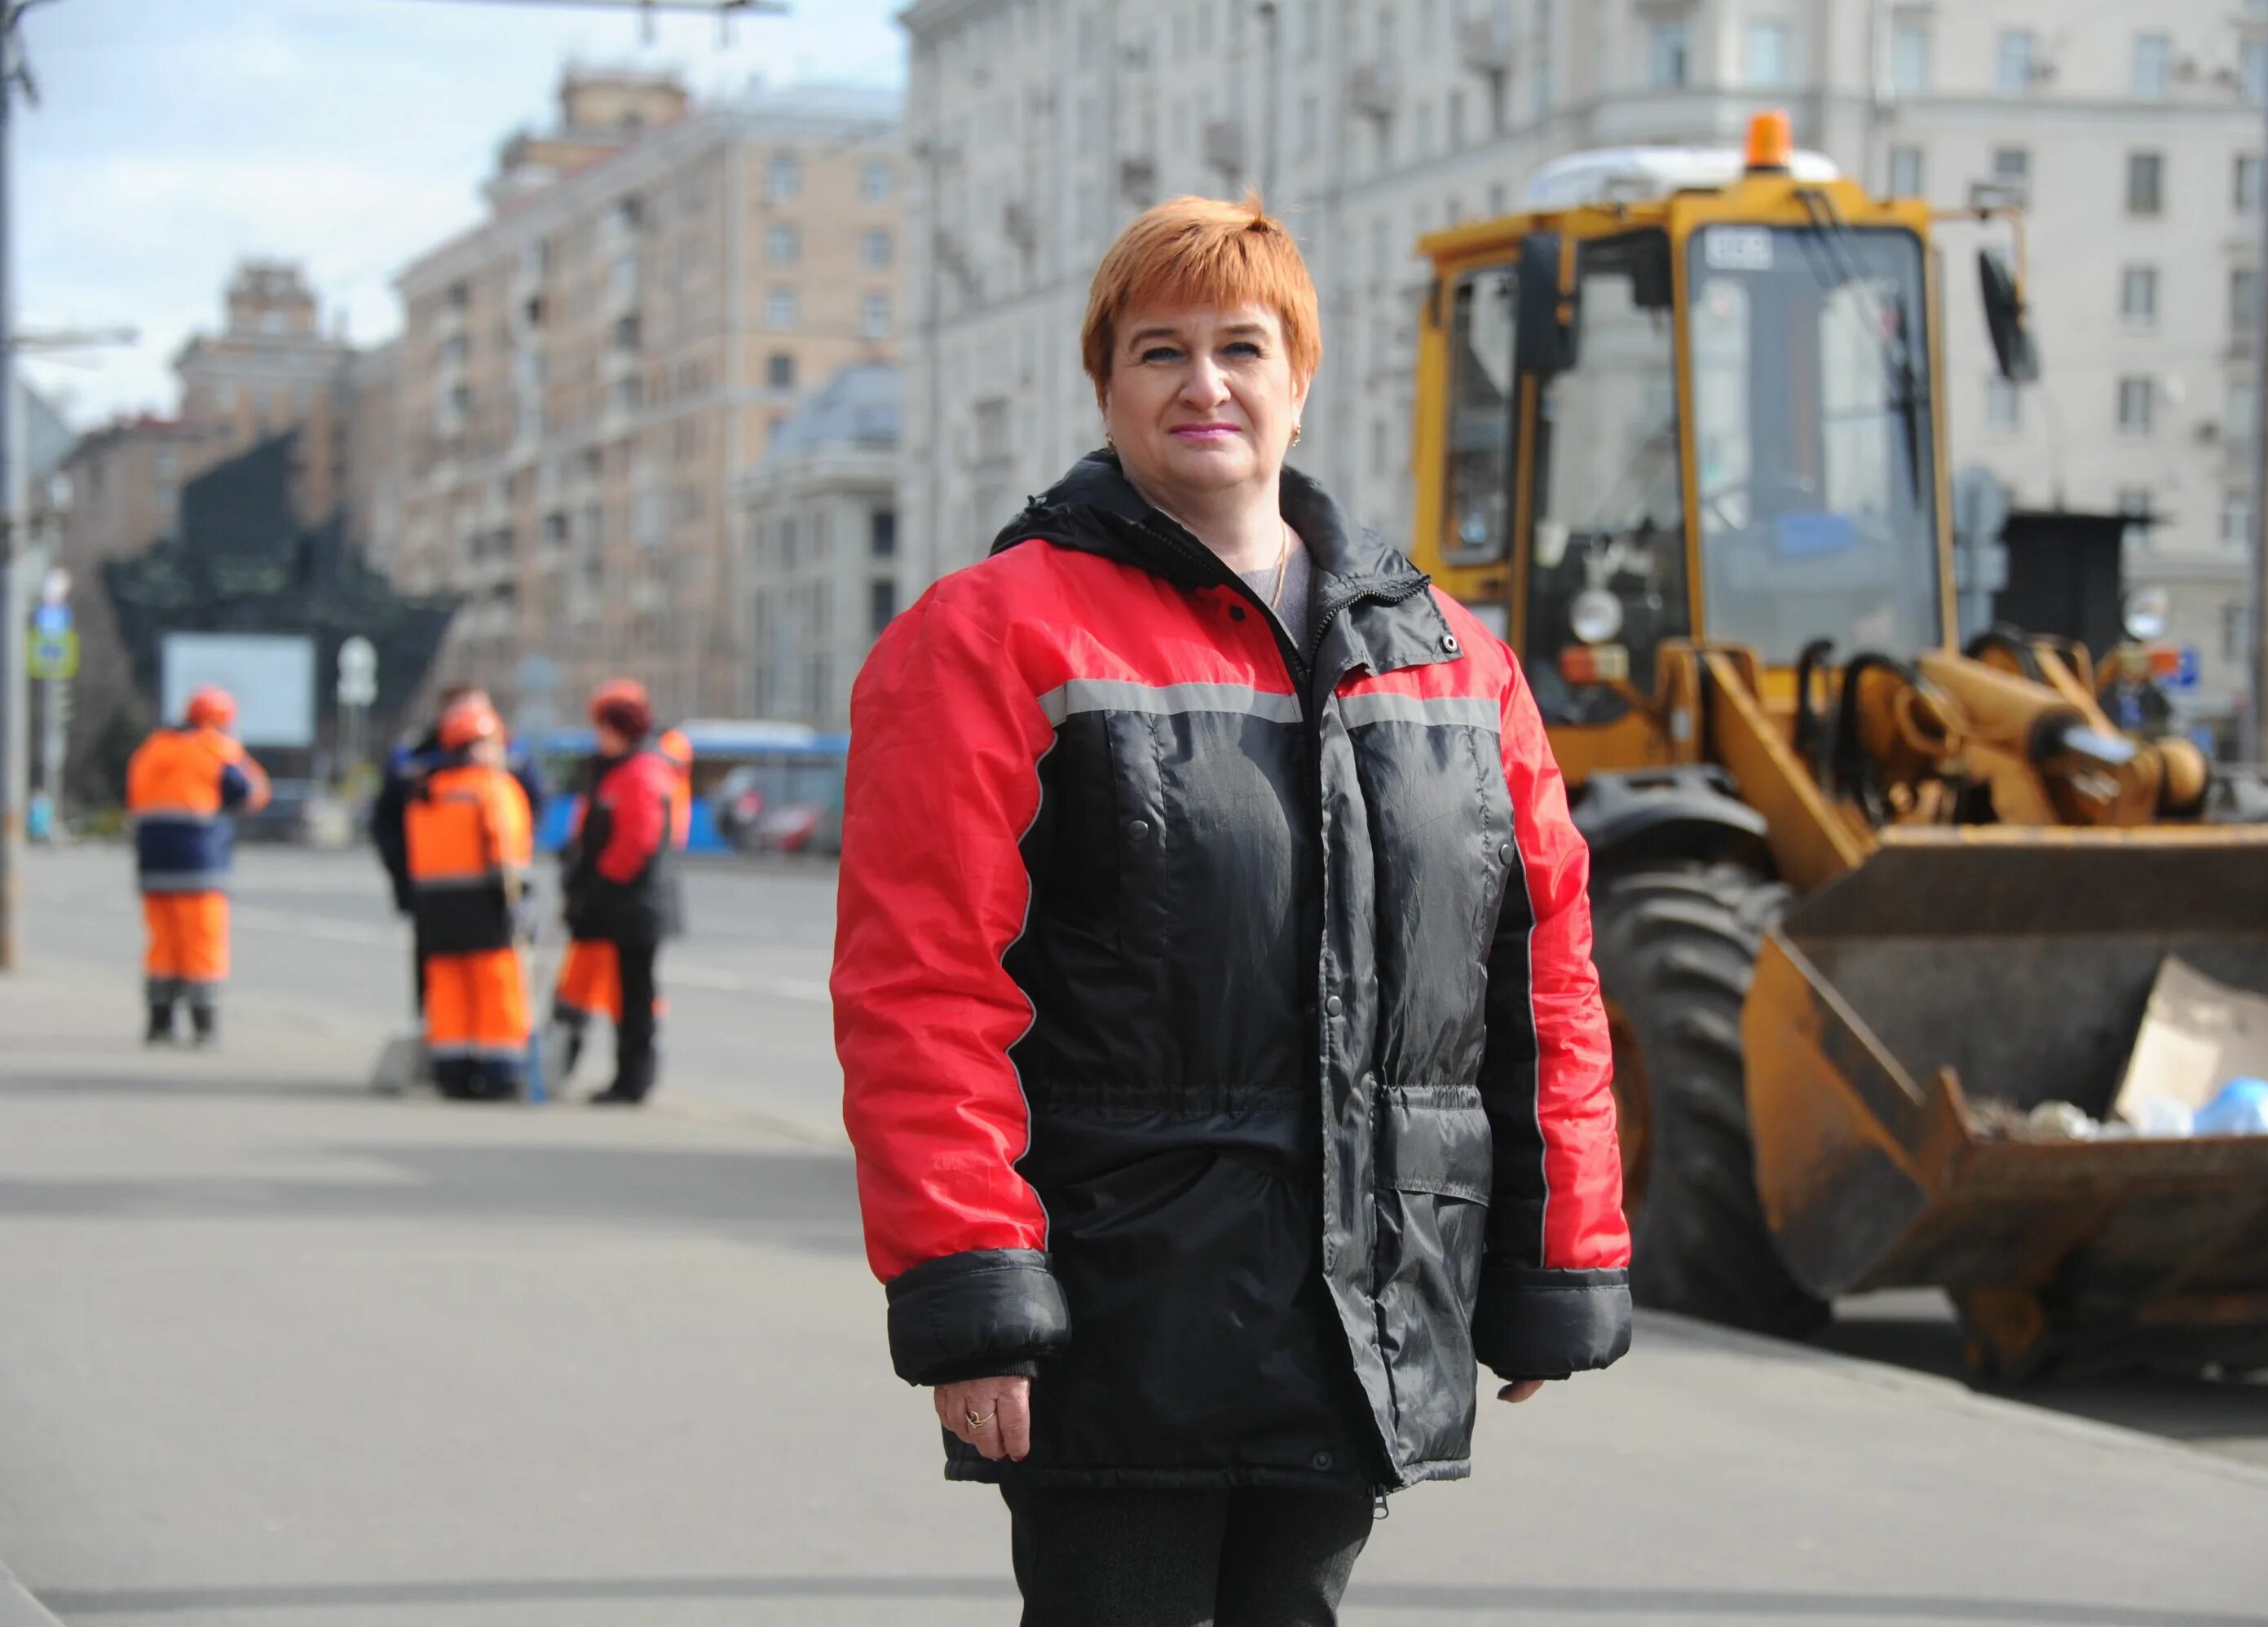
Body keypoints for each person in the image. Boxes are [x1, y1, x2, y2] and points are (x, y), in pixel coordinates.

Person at [832, 195, 1634, 1625]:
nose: (1206, 383)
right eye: (1160, 350)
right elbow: (924, 990)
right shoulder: (990, 633)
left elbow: (1544, 977)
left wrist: (1557, 1253)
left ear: (1302, 378)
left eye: (1242, 346)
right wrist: (970, 1285)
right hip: (1121, 1310)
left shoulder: (1457, 664)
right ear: (1107, 387)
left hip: (1362, 1307)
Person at [374, 686, 546, 1020]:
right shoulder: (417, 762)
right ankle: (445, 1051)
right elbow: (388, 823)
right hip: (434, 892)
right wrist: (405, 874)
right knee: (442, 979)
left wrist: (515, 872)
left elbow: (529, 813)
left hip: (492, 895)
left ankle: (492, 1060)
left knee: (493, 978)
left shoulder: (510, 763)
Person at [549, 689, 692, 1086]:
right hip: (619, 904)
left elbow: (637, 842)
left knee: (633, 997)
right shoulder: (618, 769)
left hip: (631, 906)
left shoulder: (640, 773)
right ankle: (614, 1074)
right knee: (620, 993)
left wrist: (599, 884)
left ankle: (632, 1080)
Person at [403, 695, 535, 1101]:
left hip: (435, 908)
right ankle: (501, 1072)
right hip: (486, 904)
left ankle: (452, 1070)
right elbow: (506, 847)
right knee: (497, 986)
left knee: (448, 988)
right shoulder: (492, 787)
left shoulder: (428, 790)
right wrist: (517, 900)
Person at [126, 686, 270, 1044]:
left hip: (153, 866)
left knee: (163, 944)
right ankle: (204, 1025)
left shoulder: (153, 748)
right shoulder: (214, 749)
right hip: (199, 865)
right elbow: (251, 793)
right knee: (202, 944)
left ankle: (159, 1023)